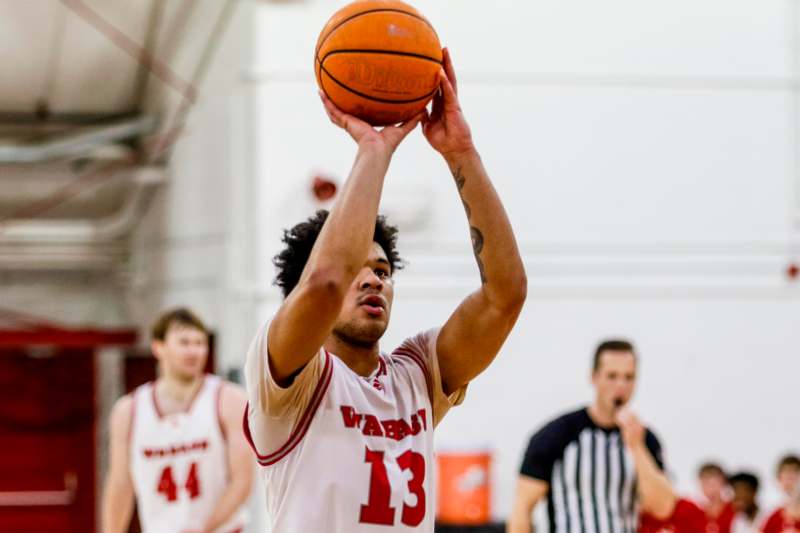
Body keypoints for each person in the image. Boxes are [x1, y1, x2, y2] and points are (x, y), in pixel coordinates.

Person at [242, 48, 527, 532]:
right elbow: (326, 281)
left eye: (383, 269)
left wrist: (461, 151)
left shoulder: (415, 375)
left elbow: (506, 293)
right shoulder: (290, 377)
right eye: (360, 267)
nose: (374, 277)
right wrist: (374, 151)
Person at [102, 308, 253, 533]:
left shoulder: (229, 399)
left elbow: (243, 480)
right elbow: (120, 486)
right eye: (184, 342)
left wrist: (203, 529)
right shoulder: (129, 411)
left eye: (200, 343)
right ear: (158, 347)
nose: (194, 351)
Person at [508, 339, 676, 533]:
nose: (621, 385)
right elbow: (522, 508)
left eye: (629, 377)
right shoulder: (556, 435)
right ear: (594, 377)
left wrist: (636, 447)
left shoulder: (645, 439)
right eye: (612, 376)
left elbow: (663, 507)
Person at [761, 455, 800, 533]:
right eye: (786, 473)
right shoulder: (773, 518)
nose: (790, 478)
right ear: (779, 479)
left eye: (794, 472)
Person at [697, 462, 735, 533]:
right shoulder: (696, 512)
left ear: (723, 482)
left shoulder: (734, 509)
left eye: (713, 483)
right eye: (704, 483)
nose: (708, 488)